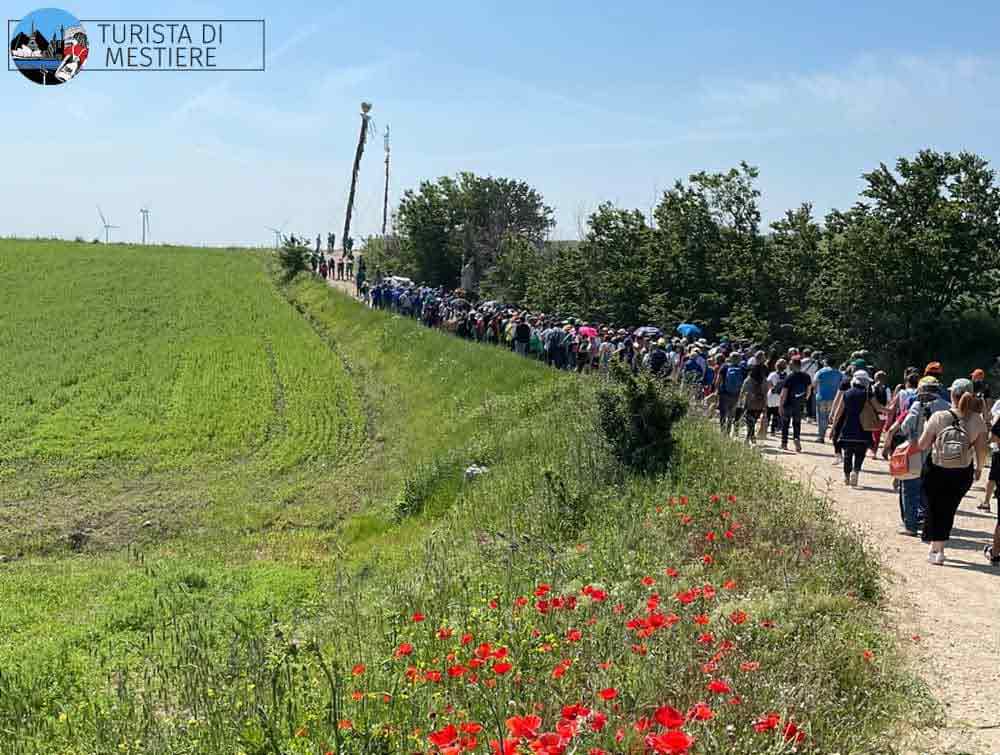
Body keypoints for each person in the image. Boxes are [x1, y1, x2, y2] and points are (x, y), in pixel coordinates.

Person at [908, 379, 987, 565]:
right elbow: (982, 450)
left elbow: (922, 444)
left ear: (952, 395)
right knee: (949, 509)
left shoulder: (939, 416)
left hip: (936, 468)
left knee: (934, 507)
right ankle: (939, 548)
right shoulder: (978, 420)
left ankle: (936, 548)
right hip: (962, 471)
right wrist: (979, 468)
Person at [832, 370, 878, 486]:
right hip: (863, 429)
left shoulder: (846, 393)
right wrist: (889, 410)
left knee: (848, 453)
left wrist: (833, 427)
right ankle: (856, 471)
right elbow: (878, 407)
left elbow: (839, 412)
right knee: (860, 453)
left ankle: (847, 476)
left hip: (848, 428)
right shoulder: (868, 394)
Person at [779, 357, 811, 452]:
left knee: (785, 423)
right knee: (797, 423)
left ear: (793, 365)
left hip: (788, 403)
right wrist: (805, 400)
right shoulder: (806, 376)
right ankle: (796, 438)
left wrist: (781, 406)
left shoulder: (789, 377)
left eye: (790, 364)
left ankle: (784, 443)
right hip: (799, 403)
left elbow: (783, 393)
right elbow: (809, 390)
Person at [812, 358, 843, 443]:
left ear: (826, 362)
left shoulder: (820, 371)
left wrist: (815, 391)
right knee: (834, 417)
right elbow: (843, 384)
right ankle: (835, 436)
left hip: (822, 398)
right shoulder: (839, 373)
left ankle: (821, 437)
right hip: (834, 399)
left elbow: (814, 383)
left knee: (822, 417)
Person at [739, 364, 768, 445]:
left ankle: (749, 437)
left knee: (750, 422)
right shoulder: (764, 380)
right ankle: (751, 437)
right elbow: (766, 394)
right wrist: (765, 406)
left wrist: (740, 402)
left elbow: (742, 391)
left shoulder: (748, 379)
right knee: (753, 422)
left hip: (749, 404)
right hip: (759, 405)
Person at [717, 352, 745, 435]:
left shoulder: (725, 367)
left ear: (730, 358)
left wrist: (718, 391)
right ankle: (728, 432)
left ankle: (722, 431)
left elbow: (718, 380)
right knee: (731, 415)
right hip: (736, 395)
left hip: (724, 394)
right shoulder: (742, 369)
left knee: (723, 413)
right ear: (739, 359)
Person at [766, 359, 787, 437]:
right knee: (776, 415)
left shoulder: (772, 374)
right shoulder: (786, 375)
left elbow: (768, 384)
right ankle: (773, 431)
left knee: (768, 414)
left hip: (771, 396)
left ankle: (765, 428)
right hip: (780, 397)